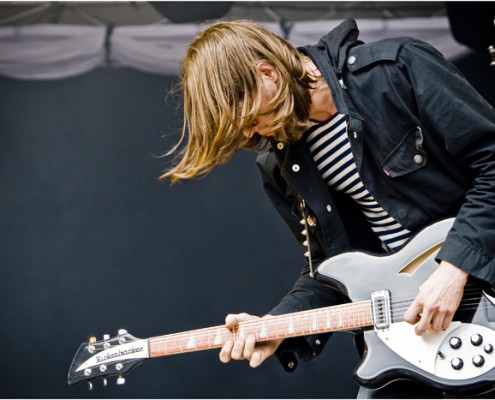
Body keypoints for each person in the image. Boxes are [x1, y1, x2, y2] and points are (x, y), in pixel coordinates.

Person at [159, 19, 495, 398]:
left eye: (251, 120)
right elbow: (330, 269)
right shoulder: (279, 165)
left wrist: (453, 269)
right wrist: (277, 326)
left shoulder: (394, 69)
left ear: (267, 73)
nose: (251, 135)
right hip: (413, 329)